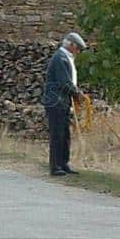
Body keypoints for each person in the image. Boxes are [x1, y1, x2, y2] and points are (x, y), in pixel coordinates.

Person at [42, 32, 88, 175]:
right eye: (78, 48)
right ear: (71, 45)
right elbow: (64, 82)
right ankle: (55, 166)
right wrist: (76, 93)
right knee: (57, 134)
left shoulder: (66, 58)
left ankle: (64, 163)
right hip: (56, 101)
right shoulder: (60, 58)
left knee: (65, 134)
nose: (78, 52)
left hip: (63, 101)